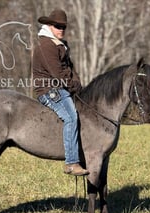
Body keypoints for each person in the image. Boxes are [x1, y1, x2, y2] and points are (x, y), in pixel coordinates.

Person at [33, 9, 89, 176]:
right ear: (49, 25)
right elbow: (57, 74)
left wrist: (78, 85)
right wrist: (74, 87)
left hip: (62, 87)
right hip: (50, 89)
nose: (61, 29)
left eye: (63, 27)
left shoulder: (59, 44)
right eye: (58, 26)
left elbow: (70, 69)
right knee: (71, 117)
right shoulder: (46, 46)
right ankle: (72, 162)